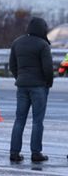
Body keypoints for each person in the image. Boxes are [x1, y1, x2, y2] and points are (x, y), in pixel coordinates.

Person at [8, 17, 55, 163]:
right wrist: (48, 83)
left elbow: (12, 65)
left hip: (22, 86)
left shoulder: (17, 42)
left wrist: (20, 78)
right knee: (37, 121)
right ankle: (36, 153)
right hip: (39, 87)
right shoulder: (43, 45)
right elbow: (48, 68)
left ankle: (14, 152)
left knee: (19, 119)